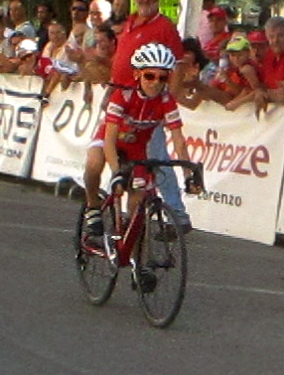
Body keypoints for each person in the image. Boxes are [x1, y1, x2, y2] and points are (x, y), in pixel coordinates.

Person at [80, 43, 201, 242]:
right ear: (137, 74)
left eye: (163, 78)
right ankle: (92, 207)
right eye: (149, 76)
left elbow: (179, 141)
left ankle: (135, 254)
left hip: (137, 147)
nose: (156, 83)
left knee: (137, 202)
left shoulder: (165, 100)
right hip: (110, 139)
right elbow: (109, 141)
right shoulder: (123, 95)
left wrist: (188, 174)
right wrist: (116, 172)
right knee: (94, 163)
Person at [111, 0, 191, 232]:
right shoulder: (130, 22)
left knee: (156, 159)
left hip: (150, 102)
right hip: (123, 100)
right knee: (122, 157)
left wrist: (169, 100)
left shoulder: (164, 26)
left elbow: (178, 64)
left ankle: (177, 215)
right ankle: (124, 212)